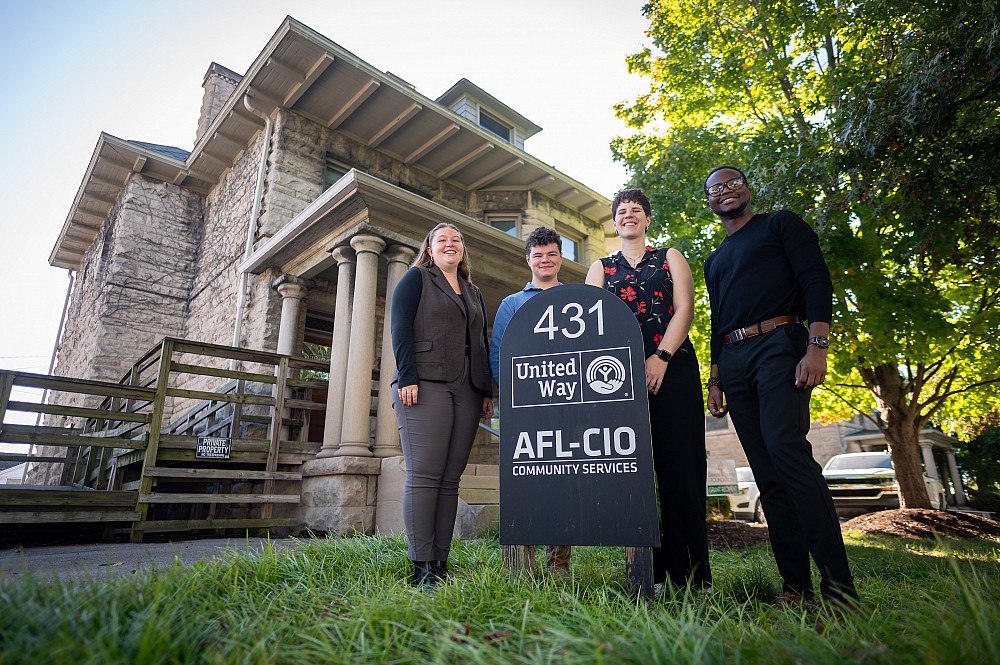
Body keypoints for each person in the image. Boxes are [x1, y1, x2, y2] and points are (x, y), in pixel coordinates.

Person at [702, 166, 858, 606]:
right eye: (716, 189)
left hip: (781, 345)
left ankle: (840, 592)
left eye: (733, 183)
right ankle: (796, 587)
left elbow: (815, 279)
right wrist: (714, 379)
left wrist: (817, 345)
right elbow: (718, 320)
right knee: (767, 477)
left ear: (748, 190)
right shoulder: (715, 260)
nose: (725, 191)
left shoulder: (781, 224)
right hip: (734, 361)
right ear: (709, 202)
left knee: (789, 455)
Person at [585, 188, 712, 592]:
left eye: (636, 211)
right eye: (622, 211)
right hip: (618, 380)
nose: (629, 216)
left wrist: (661, 357)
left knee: (682, 470)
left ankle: (693, 575)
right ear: (614, 221)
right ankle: (649, 575)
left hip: (672, 367)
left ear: (648, 219)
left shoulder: (669, 256)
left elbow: (685, 307)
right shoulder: (600, 268)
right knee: (635, 475)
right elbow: (593, 324)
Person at [390, 222, 494, 589]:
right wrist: (407, 377)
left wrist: (486, 391)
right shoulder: (416, 278)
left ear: (462, 250)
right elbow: (399, 327)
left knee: (451, 480)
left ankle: (440, 562)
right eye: (442, 240)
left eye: (457, 240)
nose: (451, 245)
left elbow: (479, 343)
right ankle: (420, 566)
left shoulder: (474, 292)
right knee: (424, 475)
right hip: (424, 384)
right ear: (430, 250)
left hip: (467, 387)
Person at [490, 227, 573, 578]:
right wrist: (514, 399)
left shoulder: (576, 301)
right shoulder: (512, 304)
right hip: (524, 408)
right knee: (523, 483)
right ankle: (522, 567)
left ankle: (559, 566)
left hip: (566, 407)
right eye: (538, 255)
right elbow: (498, 356)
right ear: (528, 260)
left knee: (561, 483)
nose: (545, 260)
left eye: (551, 254)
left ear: (560, 258)